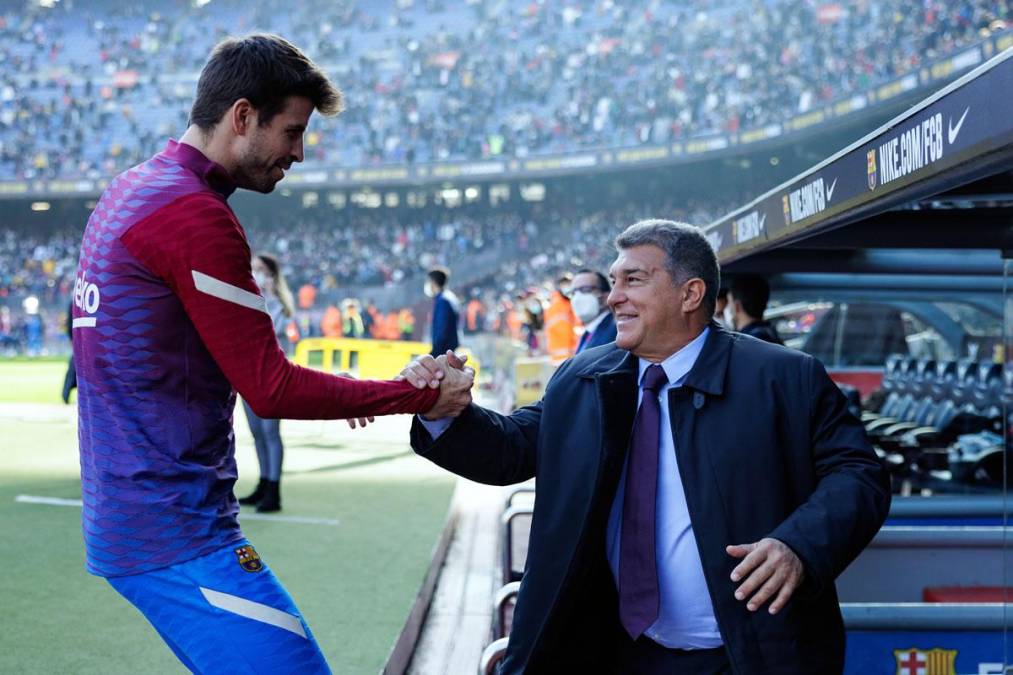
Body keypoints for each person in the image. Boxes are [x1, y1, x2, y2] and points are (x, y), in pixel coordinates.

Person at [71, 33, 472, 674]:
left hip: (135, 514)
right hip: (174, 529)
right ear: (241, 116)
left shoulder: (132, 189)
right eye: (292, 131)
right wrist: (420, 392)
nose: (300, 153)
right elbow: (271, 389)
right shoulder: (193, 215)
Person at [402, 220, 890, 674]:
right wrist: (445, 413)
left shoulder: (783, 377)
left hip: (746, 657)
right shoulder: (581, 378)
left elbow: (859, 474)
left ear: (690, 293)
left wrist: (798, 545)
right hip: (610, 654)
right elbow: (510, 449)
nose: (614, 298)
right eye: (613, 282)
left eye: (633, 281)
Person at [238, 253, 295, 513]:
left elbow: (275, 327)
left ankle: (274, 489)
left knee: (271, 433)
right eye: (253, 268)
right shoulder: (244, 298)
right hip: (248, 374)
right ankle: (263, 483)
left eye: (261, 269)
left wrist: (270, 295)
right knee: (256, 433)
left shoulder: (281, 304)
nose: (256, 273)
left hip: (272, 376)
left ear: (272, 274)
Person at [570, 268, 617, 354]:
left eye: (585, 290)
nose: (577, 297)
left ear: (606, 296)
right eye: (573, 292)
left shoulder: (616, 330)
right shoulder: (589, 331)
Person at [728, 274, 783, 344]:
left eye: (729, 302)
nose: (728, 309)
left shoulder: (744, 343)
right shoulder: (771, 334)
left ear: (737, 306)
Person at [425, 266, 460, 357]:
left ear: (433, 282)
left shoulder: (443, 301)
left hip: (443, 351)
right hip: (448, 350)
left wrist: (435, 352)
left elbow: (442, 330)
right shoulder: (448, 297)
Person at [544, 273, 577, 360]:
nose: (566, 287)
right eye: (564, 284)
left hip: (572, 349)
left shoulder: (572, 300)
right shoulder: (556, 303)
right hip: (562, 350)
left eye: (568, 284)